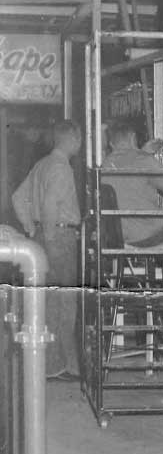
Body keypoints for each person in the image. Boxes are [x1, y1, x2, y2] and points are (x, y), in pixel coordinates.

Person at [12, 119, 83, 379]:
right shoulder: (62, 168)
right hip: (59, 236)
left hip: (42, 235)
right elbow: (51, 204)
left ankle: (52, 364)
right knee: (65, 303)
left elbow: (18, 197)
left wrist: (32, 228)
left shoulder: (41, 164)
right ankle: (63, 366)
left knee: (48, 301)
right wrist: (52, 237)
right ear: (73, 138)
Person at [101, 119, 163, 248]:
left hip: (119, 236)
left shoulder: (105, 165)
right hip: (146, 235)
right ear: (133, 138)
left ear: (111, 143)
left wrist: (142, 152)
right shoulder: (143, 160)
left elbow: (128, 164)